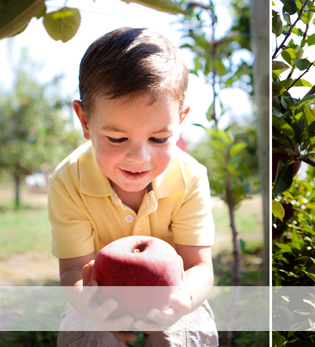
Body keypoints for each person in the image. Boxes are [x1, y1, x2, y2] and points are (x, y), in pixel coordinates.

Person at [48, 27, 218, 346]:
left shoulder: (190, 176)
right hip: (98, 294)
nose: (139, 157)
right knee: (86, 335)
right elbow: (72, 273)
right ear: (85, 122)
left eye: (159, 139)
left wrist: (185, 299)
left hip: (173, 289)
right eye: (116, 138)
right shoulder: (69, 179)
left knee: (186, 335)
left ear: (180, 120)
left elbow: (198, 266)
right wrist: (95, 310)